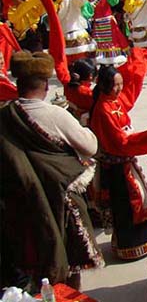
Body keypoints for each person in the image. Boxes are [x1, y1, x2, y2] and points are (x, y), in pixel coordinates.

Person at [0, 51, 102, 290]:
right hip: (60, 199)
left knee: (33, 262)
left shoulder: (5, 114)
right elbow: (90, 146)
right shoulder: (54, 114)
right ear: (46, 85)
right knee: (70, 262)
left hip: (22, 202)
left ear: (18, 83)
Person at [89, 48, 147, 261]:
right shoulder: (102, 108)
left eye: (121, 84)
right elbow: (118, 140)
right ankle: (130, 245)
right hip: (117, 165)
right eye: (116, 85)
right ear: (104, 85)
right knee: (129, 203)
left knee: (139, 198)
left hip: (126, 161)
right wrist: (142, 140)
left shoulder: (114, 101)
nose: (120, 88)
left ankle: (145, 240)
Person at [89, 0, 129, 66]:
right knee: (99, 42)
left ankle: (112, 58)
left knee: (114, 40)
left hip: (108, 23)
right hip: (98, 25)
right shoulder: (90, 1)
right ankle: (101, 60)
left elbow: (114, 1)